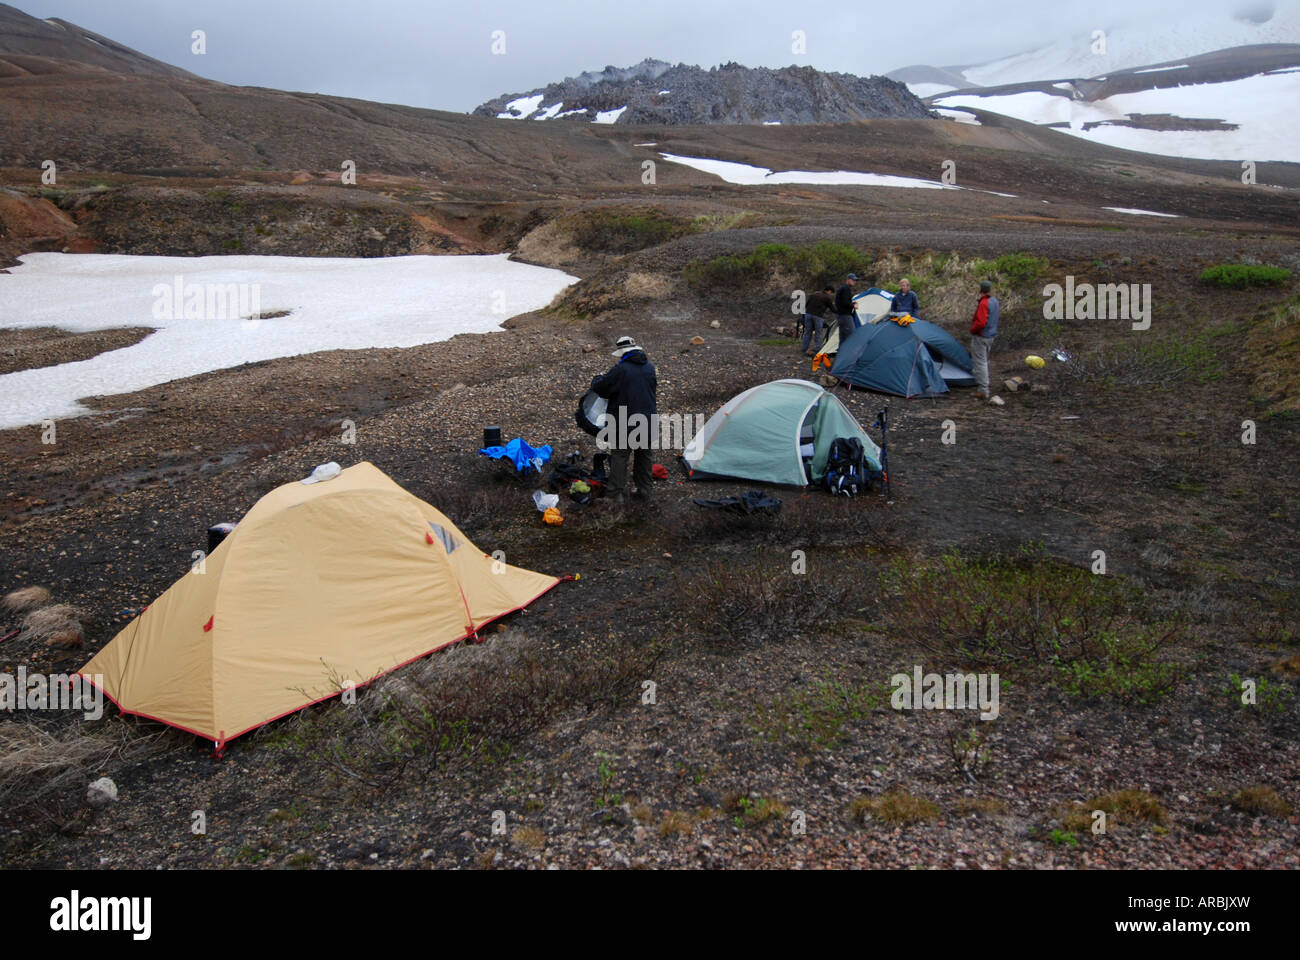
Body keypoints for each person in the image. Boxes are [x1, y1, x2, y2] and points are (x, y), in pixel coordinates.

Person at [591, 336, 657, 504]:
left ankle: (615, 494)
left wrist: (597, 378)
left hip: (624, 421)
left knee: (620, 456)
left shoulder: (621, 370)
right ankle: (645, 491)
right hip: (648, 420)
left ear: (622, 353)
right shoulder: (649, 367)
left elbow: (603, 388)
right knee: (644, 456)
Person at [969, 280, 1000, 399]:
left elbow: (981, 322)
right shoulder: (995, 301)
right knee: (984, 361)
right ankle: (984, 385)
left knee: (980, 362)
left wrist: (973, 330)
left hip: (981, 336)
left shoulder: (984, 303)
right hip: (991, 335)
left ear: (981, 289)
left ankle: (983, 389)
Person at [800, 285, 835, 356]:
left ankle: (804, 348)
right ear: (829, 291)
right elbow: (832, 308)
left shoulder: (814, 294)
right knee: (818, 333)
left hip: (808, 314)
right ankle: (819, 348)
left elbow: (807, 304)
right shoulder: (827, 297)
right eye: (831, 293)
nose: (831, 295)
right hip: (818, 316)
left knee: (807, 332)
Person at [834, 273, 859, 345]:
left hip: (840, 315)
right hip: (845, 315)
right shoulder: (846, 288)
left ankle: (841, 353)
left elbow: (842, 301)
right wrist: (853, 306)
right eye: (853, 280)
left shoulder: (842, 288)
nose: (854, 281)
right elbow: (845, 302)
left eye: (855, 280)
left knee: (843, 336)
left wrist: (851, 302)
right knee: (852, 334)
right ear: (847, 280)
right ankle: (849, 353)